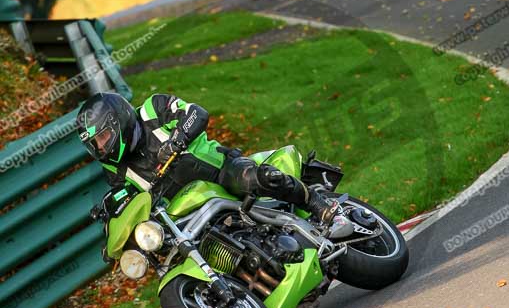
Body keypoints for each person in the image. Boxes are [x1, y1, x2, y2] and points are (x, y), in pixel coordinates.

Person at [77, 92, 338, 230]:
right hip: (187, 210)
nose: (101, 146)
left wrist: (176, 140)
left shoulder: (152, 110)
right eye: (95, 144)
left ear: (119, 120)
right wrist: (111, 208)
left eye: (104, 137)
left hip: (220, 172)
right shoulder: (113, 167)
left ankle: (316, 203)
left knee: (256, 178)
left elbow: (195, 112)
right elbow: (128, 193)